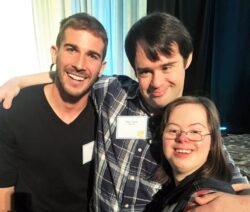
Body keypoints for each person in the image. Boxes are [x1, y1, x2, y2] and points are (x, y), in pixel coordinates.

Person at [0, 12, 250, 212]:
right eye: (145, 71)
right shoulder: (113, 91)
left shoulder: (194, 126)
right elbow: (79, 73)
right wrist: (19, 81)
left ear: (187, 60)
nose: (157, 82)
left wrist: (241, 203)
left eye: (167, 67)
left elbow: (238, 182)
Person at [0, 13, 107, 212]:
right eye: (72, 49)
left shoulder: (105, 112)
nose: (80, 64)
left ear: (102, 67)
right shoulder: (14, 110)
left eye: (92, 55)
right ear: (54, 53)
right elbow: (4, 191)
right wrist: (17, 81)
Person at [145, 96, 236, 211]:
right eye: (173, 130)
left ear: (213, 141)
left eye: (194, 131)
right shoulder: (171, 190)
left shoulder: (207, 201)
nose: (182, 138)